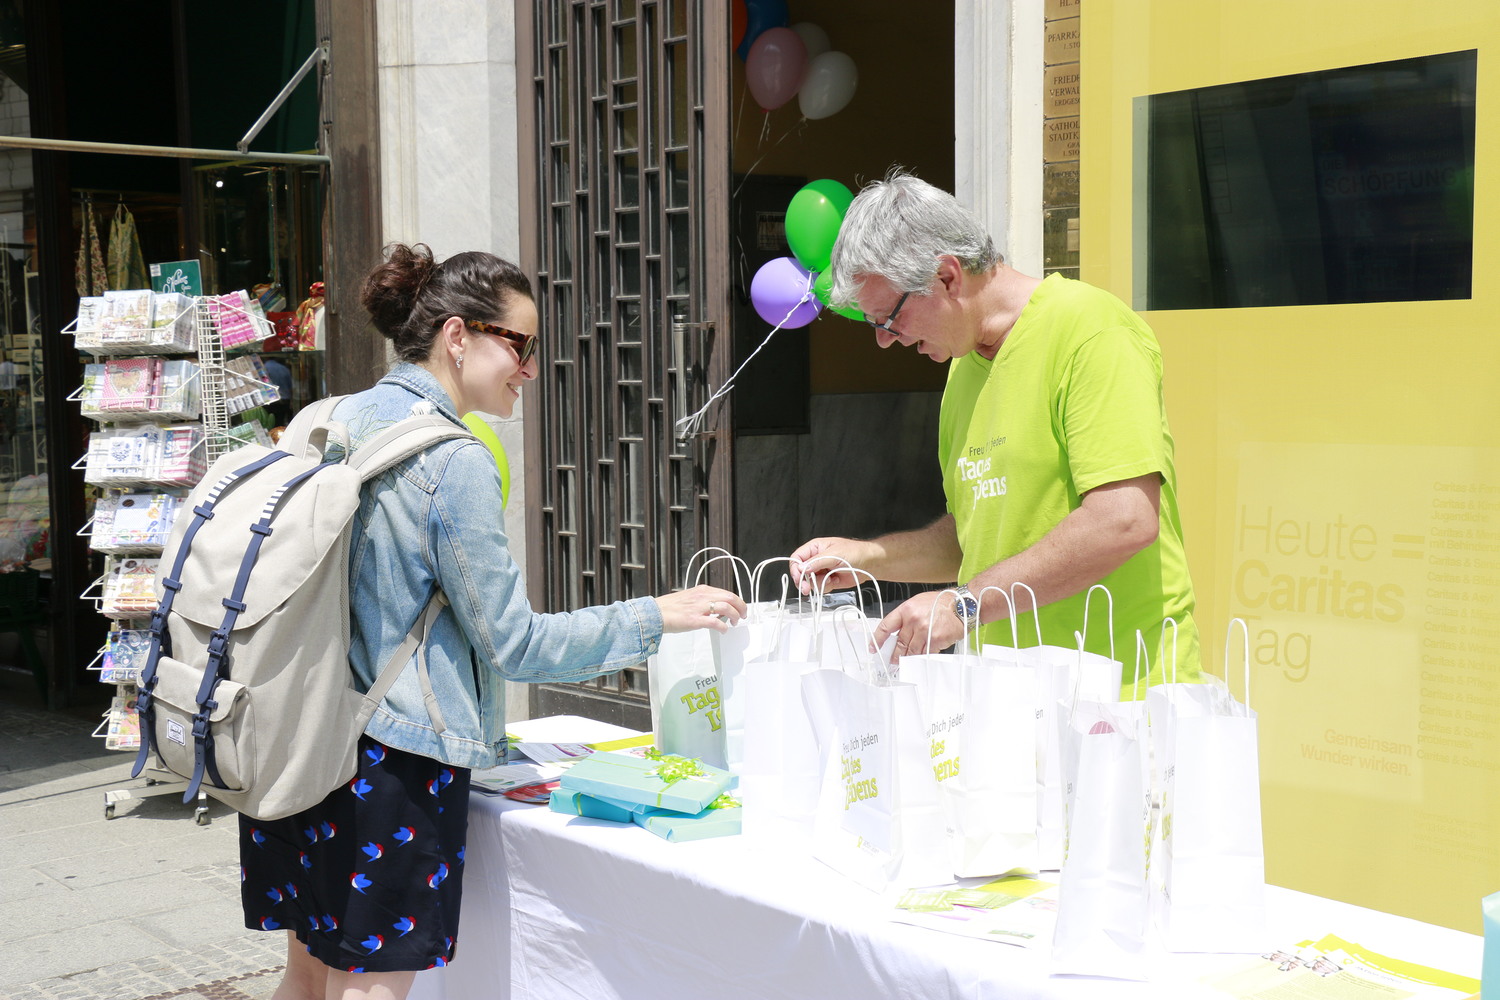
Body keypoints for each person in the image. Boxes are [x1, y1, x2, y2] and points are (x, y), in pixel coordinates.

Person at [242, 243, 746, 1000]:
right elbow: (514, 643)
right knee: (370, 989)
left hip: (297, 736)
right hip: (391, 764)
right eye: (520, 344)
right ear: (457, 335)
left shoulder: (330, 418)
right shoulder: (454, 460)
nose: (530, 369)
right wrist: (654, 616)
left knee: (306, 978)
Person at [790, 171, 1200, 690]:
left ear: (947, 276)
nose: (885, 342)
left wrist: (963, 605)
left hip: (1123, 695)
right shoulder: (963, 368)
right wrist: (867, 558)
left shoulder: (1092, 330)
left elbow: (1124, 520)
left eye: (888, 319)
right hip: (1010, 697)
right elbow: (978, 539)